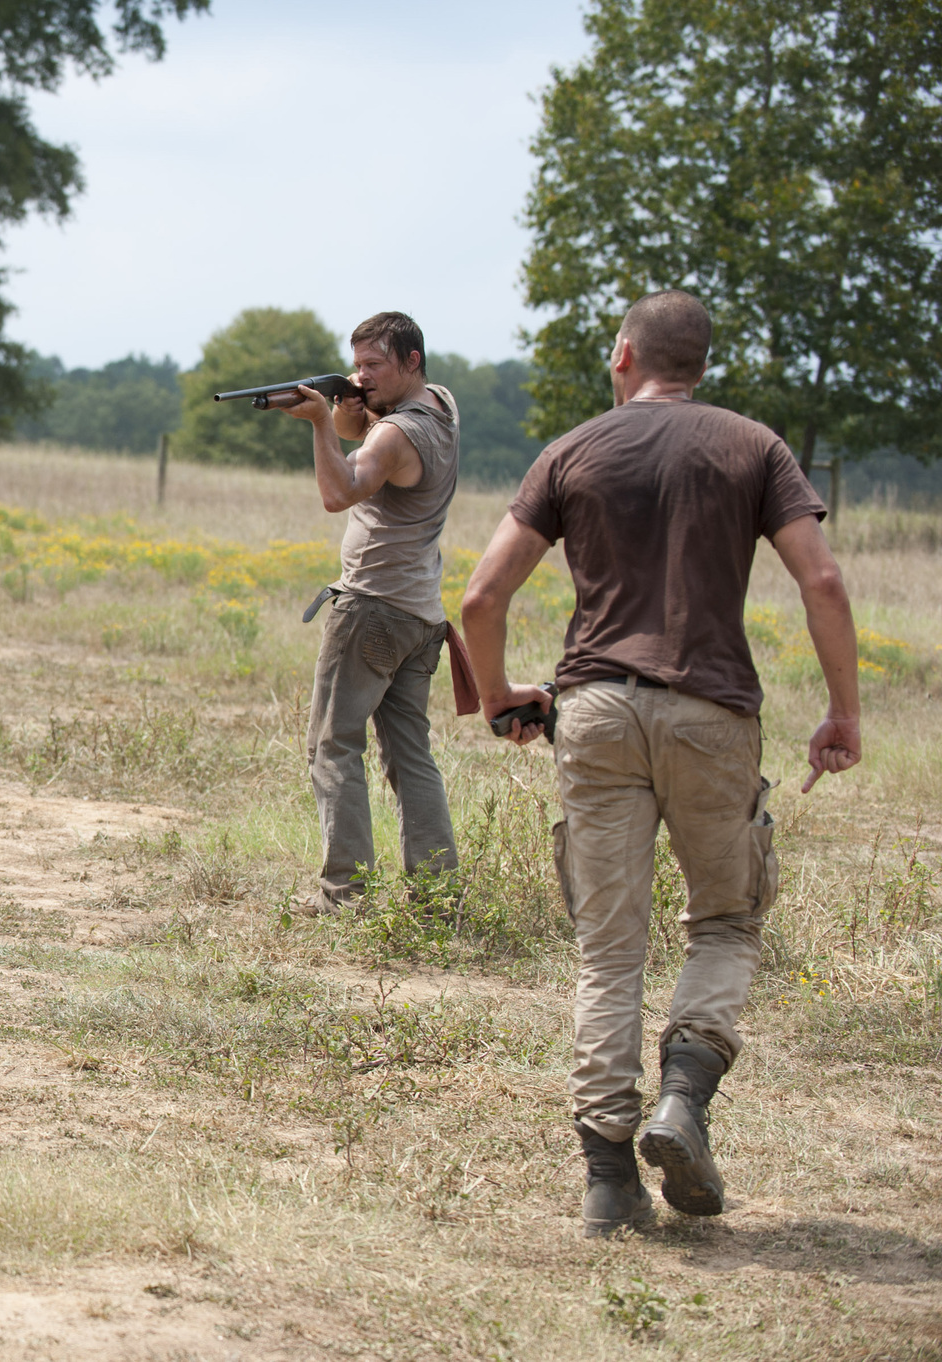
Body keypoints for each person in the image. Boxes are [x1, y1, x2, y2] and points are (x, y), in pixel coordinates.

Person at [460, 289, 861, 1237]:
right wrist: (842, 710)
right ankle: (685, 1096)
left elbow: (481, 596)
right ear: (700, 365)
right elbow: (824, 579)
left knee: (610, 950)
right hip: (712, 714)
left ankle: (607, 1182)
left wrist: (500, 697)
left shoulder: (572, 450)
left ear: (624, 355)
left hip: (593, 712)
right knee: (724, 921)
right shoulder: (754, 447)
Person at [274, 312, 460, 913]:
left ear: (410, 361)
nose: (362, 375)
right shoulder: (442, 407)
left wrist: (321, 424)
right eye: (355, 366)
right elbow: (367, 428)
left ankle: (345, 896)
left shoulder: (395, 435)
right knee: (410, 755)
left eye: (374, 365)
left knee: (333, 746)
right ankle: (436, 897)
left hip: (373, 608)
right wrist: (350, 403)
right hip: (419, 612)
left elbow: (338, 492)